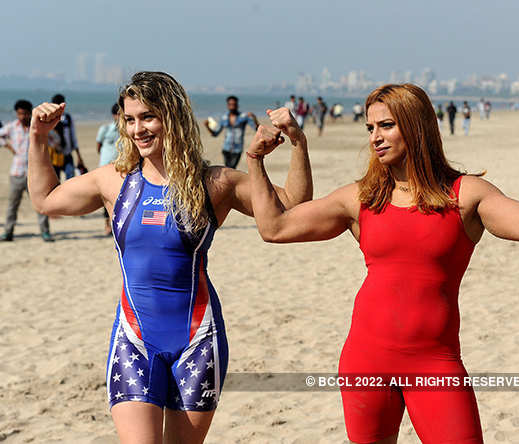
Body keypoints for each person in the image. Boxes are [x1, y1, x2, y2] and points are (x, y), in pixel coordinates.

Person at [245, 83, 519, 444]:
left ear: (416, 125)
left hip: (435, 364)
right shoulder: (360, 198)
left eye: (386, 126)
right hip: (365, 361)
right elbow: (274, 228)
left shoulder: (466, 195)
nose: (376, 137)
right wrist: (255, 161)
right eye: (370, 128)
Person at [27, 71, 312, 443]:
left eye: (147, 117)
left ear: (172, 118)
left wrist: (297, 142)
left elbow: (291, 207)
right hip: (134, 340)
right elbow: (45, 200)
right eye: (129, 119)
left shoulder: (215, 183)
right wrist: (38, 137)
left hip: (198, 340)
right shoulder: (113, 181)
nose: (137, 129)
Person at [0, 100, 53, 242]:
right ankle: (8, 232)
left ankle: (45, 232)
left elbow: (54, 140)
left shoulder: (36, 127)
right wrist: (7, 146)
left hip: (35, 174)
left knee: (41, 205)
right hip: (17, 173)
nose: (22, 116)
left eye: (24, 113)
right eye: (19, 114)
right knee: (13, 205)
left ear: (30, 113)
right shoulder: (11, 127)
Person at [204, 95, 259, 169]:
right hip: (226, 148)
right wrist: (207, 126)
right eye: (230, 104)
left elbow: (257, 129)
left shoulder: (243, 117)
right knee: (227, 169)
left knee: (232, 168)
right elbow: (215, 134)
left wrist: (254, 118)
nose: (232, 106)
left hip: (237, 149)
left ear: (237, 105)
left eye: (234, 104)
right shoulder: (224, 118)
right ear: (228, 105)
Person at [96, 103, 120, 235]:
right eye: (118, 114)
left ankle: (114, 224)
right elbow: (98, 146)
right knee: (106, 198)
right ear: (114, 115)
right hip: (106, 167)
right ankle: (107, 224)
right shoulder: (105, 129)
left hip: (122, 169)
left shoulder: (128, 130)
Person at [51, 94, 86, 180]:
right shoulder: (50, 119)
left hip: (67, 154)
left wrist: (78, 156)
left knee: (70, 178)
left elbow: (73, 137)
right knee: (55, 180)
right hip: (54, 155)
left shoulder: (68, 118)